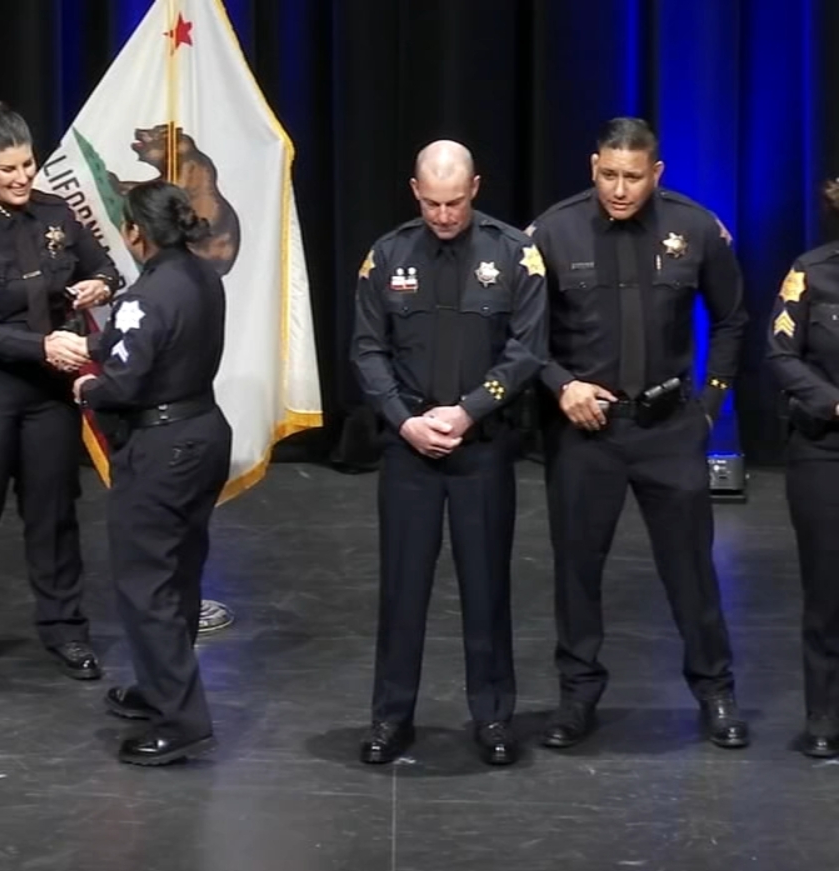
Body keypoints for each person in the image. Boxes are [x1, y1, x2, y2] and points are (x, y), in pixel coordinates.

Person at [529, 117, 748, 749]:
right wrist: (560, 384)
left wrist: (708, 406)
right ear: (592, 166)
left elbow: (732, 319)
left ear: (656, 173)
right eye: (607, 175)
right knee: (576, 571)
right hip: (584, 431)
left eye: (632, 177)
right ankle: (576, 698)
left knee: (691, 571)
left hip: (668, 427)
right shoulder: (551, 231)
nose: (619, 190)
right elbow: (521, 335)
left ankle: (716, 693)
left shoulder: (697, 227)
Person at [349, 140, 547, 766]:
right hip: (410, 450)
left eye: (454, 202)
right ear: (415, 191)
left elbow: (526, 349)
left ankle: (491, 717)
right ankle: (390, 717)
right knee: (402, 589)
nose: (443, 215)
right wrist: (406, 422)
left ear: (476, 188)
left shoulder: (516, 253)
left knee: (486, 587)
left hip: (481, 448)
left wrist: (467, 411)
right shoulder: (386, 255)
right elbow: (366, 350)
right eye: (432, 203)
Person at [0, 97, 121, 687]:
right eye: (7, 168)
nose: (21, 178)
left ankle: (65, 627)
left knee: (54, 509)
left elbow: (108, 268)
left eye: (28, 165)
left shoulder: (56, 213)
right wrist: (41, 348)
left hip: (47, 389)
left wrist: (96, 287)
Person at [71, 180, 227, 766]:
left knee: (146, 583)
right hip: (203, 430)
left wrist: (89, 384)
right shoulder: (204, 277)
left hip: (160, 448)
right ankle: (162, 687)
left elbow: (123, 383)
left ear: (135, 232)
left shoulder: (146, 295)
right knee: (180, 572)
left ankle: (181, 721)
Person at [765, 178, 839, 758]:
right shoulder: (811, 273)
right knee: (827, 587)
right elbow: (781, 354)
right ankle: (825, 713)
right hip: (825, 449)